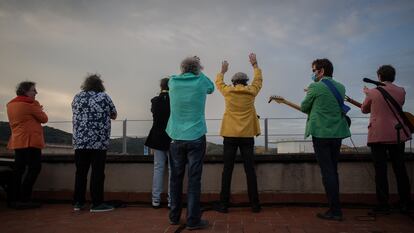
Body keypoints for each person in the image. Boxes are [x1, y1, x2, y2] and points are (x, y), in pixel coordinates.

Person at [166, 56, 214, 230]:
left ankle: (174, 216)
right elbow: (212, 88)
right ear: (198, 68)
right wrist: (200, 70)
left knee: (175, 178)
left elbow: (175, 77)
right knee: (194, 180)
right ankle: (193, 220)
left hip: (176, 137)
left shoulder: (172, 81)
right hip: (196, 136)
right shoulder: (201, 80)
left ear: (182, 68)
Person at [301, 58, 350, 221]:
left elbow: (304, 107)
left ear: (321, 71)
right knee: (333, 170)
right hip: (337, 134)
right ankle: (335, 207)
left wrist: (309, 92)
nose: (312, 73)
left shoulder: (315, 86)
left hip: (321, 134)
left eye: (314, 70)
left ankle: (335, 210)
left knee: (327, 172)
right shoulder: (341, 87)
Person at [214, 53, 262, 213]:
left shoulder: (228, 91)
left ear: (234, 83)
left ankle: (223, 204)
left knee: (227, 170)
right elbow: (258, 81)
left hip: (230, 135)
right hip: (247, 135)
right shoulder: (252, 91)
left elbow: (218, 82)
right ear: (246, 82)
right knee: (250, 170)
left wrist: (223, 70)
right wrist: (255, 65)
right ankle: (255, 205)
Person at [361, 65, 412, 214]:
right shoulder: (401, 91)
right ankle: (405, 202)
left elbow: (364, 109)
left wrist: (367, 93)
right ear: (393, 76)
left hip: (378, 135)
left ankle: (383, 204)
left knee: (380, 171)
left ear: (379, 76)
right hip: (397, 134)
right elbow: (396, 106)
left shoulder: (373, 92)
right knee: (400, 169)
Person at [72, 74, 117, 212]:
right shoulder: (104, 97)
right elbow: (114, 114)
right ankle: (97, 203)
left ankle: (78, 203)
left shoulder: (77, 97)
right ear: (100, 85)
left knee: (81, 172)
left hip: (80, 142)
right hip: (98, 142)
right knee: (97, 173)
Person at [7, 81, 48, 209]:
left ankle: (14, 199)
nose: (36, 92)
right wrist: (37, 106)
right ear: (25, 91)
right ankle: (25, 197)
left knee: (18, 170)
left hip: (18, 141)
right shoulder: (30, 104)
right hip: (30, 141)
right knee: (35, 168)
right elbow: (44, 119)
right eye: (33, 90)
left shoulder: (10, 105)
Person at [145, 77, 172, 208]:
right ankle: (171, 200)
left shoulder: (155, 101)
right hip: (172, 137)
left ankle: (155, 199)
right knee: (172, 169)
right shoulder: (174, 101)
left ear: (161, 87)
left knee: (158, 168)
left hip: (157, 136)